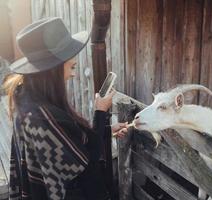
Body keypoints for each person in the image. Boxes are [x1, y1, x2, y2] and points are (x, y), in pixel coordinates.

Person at [3, 17, 127, 200]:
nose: (73, 74)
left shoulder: (26, 101)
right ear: (52, 71)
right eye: (72, 67)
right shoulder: (43, 118)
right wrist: (100, 113)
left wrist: (106, 131)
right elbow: (85, 159)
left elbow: (70, 143)